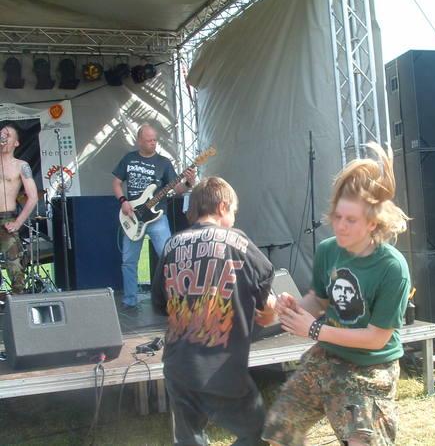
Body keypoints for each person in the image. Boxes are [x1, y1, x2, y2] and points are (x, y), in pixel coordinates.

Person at [262, 142, 411, 446]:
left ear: (372, 223)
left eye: (351, 220)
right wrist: (294, 307)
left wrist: (314, 329)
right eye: (337, 216)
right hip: (328, 355)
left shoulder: (392, 267)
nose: (340, 227)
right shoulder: (328, 251)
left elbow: (376, 338)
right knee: (279, 433)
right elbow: (319, 300)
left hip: (373, 366)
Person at [152, 176, 276, 445]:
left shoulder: (171, 245)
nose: (234, 217)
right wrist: (269, 311)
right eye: (234, 211)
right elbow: (265, 287)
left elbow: (160, 304)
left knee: (189, 440)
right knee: (257, 433)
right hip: (220, 367)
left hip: (177, 365)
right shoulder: (237, 240)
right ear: (222, 207)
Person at [112, 124, 196, 310]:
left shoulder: (164, 163)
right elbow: (116, 183)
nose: (153, 143)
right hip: (133, 216)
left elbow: (177, 190)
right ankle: (130, 299)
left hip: (157, 218)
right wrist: (123, 201)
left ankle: (175, 299)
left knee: (169, 258)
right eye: (149, 140)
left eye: (155, 140)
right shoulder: (129, 159)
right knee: (128, 261)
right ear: (139, 141)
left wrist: (188, 183)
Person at [0, 123, 39, 295]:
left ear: (16, 143)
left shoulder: (21, 165)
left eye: (7, 135)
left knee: (15, 265)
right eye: (1, 134)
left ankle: (17, 301)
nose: (3, 137)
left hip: (7, 218)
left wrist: (17, 223)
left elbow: (33, 197)